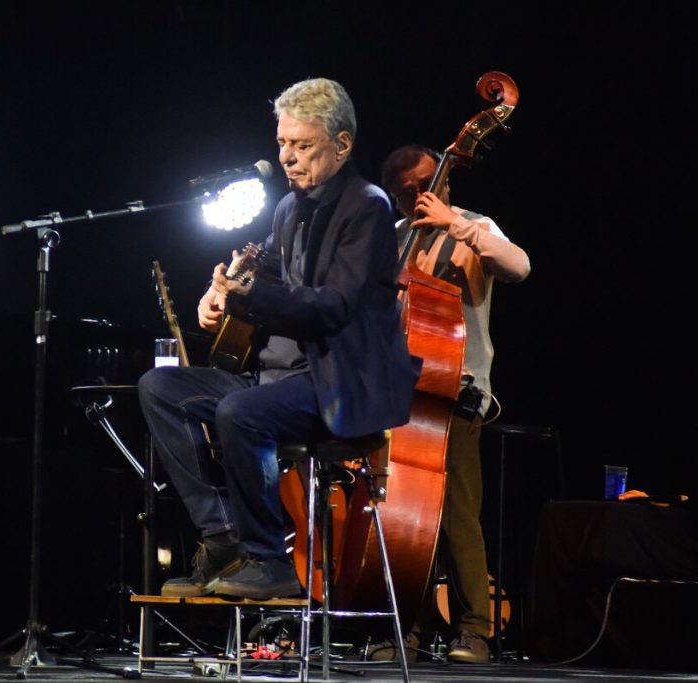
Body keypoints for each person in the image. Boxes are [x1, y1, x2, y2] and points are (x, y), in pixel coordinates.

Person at [137, 78, 420, 601]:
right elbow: (259, 269)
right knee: (160, 387)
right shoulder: (288, 209)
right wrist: (218, 294)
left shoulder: (368, 206)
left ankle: (270, 560)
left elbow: (334, 306)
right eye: (283, 143)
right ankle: (223, 536)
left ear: (341, 144)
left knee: (241, 413)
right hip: (273, 378)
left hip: (337, 381)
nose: (287, 157)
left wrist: (250, 297)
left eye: (302, 145)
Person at [369, 144, 531, 663]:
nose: (420, 195)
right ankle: (406, 630)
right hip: (397, 395)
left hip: (455, 389)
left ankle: (474, 629)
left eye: (428, 182)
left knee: (458, 513)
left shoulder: (475, 225)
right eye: (408, 191)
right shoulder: (392, 239)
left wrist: (455, 225)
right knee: (403, 521)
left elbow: (519, 267)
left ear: (446, 179)